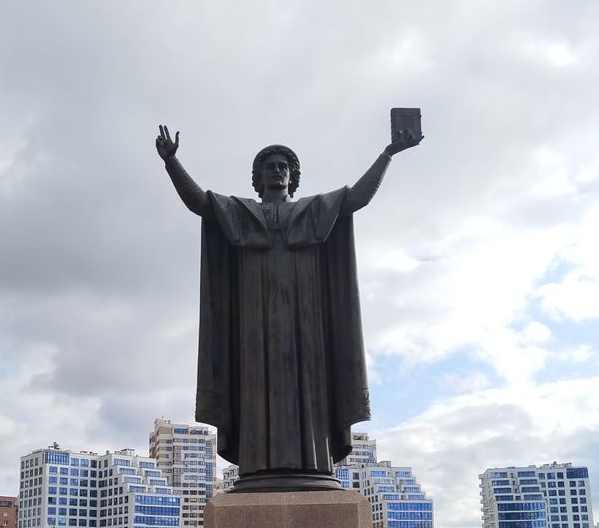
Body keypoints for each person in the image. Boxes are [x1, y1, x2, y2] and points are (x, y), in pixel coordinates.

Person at [156, 124, 421, 489]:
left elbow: (356, 198)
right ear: (259, 177)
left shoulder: (314, 211)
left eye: (284, 166)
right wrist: (172, 162)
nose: (278, 171)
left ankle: (311, 465)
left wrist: (388, 154)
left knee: (310, 389)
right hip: (254, 323)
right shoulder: (241, 213)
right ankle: (258, 467)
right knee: (254, 388)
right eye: (271, 167)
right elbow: (200, 203)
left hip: (306, 323)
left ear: (293, 176)